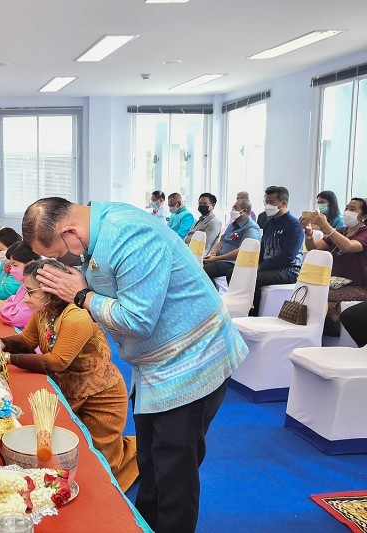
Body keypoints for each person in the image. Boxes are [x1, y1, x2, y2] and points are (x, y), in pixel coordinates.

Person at [22, 197, 247, 533]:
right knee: (151, 463)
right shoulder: (92, 237)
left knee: (174, 472)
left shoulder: (130, 235)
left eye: (56, 255)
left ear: (70, 232)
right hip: (155, 365)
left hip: (192, 359)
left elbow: (138, 320)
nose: (60, 264)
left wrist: (82, 296)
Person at [0, 258, 139, 491]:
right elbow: (27, 341)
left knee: (102, 469)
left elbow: (57, 362)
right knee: (66, 455)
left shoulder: (77, 315)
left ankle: (138, 455)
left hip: (100, 396)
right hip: (70, 388)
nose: (26, 298)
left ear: (51, 292)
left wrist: (7, 358)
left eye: (31, 292)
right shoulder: (46, 311)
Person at [231, 186, 303, 316]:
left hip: (288, 270)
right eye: (266, 202)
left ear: (283, 203)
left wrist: (260, 267)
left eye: (271, 202)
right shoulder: (269, 222)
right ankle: (237, 310)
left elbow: (288, 256)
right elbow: (263, 248)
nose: (267, 205)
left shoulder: (294, 225)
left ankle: (254, 313)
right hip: (268, 268)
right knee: (233, 273)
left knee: (253, 278)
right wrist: (253, 264)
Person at [301, 197, 367, 336]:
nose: (348, 211)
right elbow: (315, 247)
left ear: (364, 216)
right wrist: (308, 232)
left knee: (321, 295)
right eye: (347, 208)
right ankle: (309, 332)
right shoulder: (341, 231)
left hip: (359, 286)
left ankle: (324, 330)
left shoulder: (364, 233)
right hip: (336, 283)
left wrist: (326, 226)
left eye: (353, 209)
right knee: (310, 291)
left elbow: (348, 247)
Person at [203, 198, 261, 281]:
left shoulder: (251, 227)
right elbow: (221, 242)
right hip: (220, 259)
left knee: (208, 269)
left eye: (235, 208)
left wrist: (216, 259)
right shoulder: (232, 225)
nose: (232, 210)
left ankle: (212, 293)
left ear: (244, 211)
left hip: (234, 263)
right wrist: (213, 254)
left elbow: (242, 251)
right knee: (199, 264)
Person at [0, 241, 39, 317]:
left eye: (15, 265)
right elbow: (12, 302)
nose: (12, 270)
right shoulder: (24, 284)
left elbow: (16, 316)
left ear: (30, 263)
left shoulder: (35, 288)